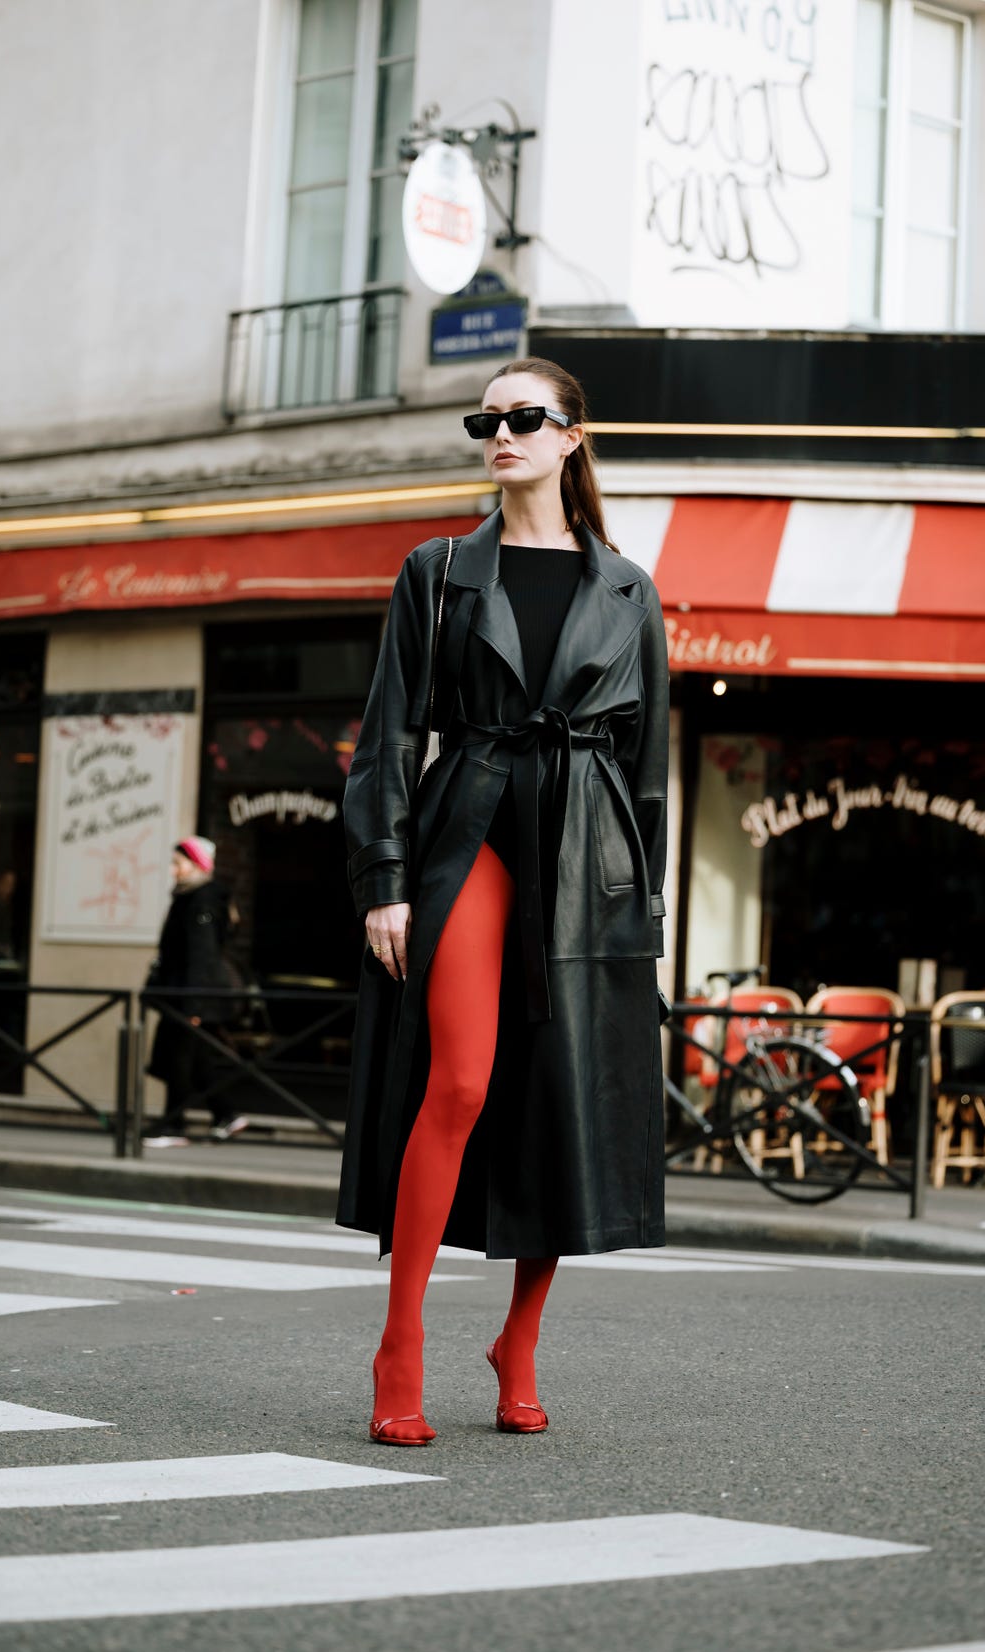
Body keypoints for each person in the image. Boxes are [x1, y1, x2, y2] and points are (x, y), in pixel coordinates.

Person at [338, 357, 670, 1445]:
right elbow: (389, 733)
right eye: (488, 418)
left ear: (572, 437)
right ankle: (401, 1344)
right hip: (470, 821)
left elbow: (649, 765)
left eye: (525, 418)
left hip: (584, 848)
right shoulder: (435, 570)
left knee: (558, 1094)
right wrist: (383, 881)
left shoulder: (626, 588)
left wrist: (643, 906)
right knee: (464, 1078)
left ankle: (518, 1341)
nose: (501, 433)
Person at [144, 837, 248, 1148]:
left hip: (190, 995)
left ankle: (174, 1126)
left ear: (198, 865)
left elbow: (201, 957)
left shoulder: (202, 901)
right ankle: (226, 1115)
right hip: (183, 993)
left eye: (179, 863)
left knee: (179, 1060)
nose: (173, 870)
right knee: (197, 1058)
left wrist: (195, 1005)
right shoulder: (190, 897)